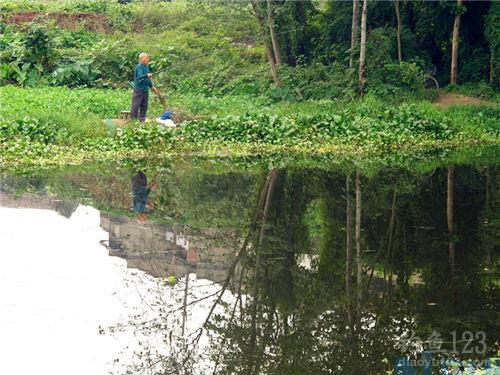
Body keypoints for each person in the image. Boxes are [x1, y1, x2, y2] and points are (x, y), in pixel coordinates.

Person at [130, 53, 159, 122]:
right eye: (146, 58)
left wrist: (152, 86)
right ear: (141, 59)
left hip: (145, 89)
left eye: (148, 58)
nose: (148, 60)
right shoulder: (139, 67)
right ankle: (133, 119)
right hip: (138, 89)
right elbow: (140, 76)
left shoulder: (146, 67)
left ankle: (142, 118)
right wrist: (147, 75)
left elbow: (147, 79)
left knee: (144, 105)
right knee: (136, 104)